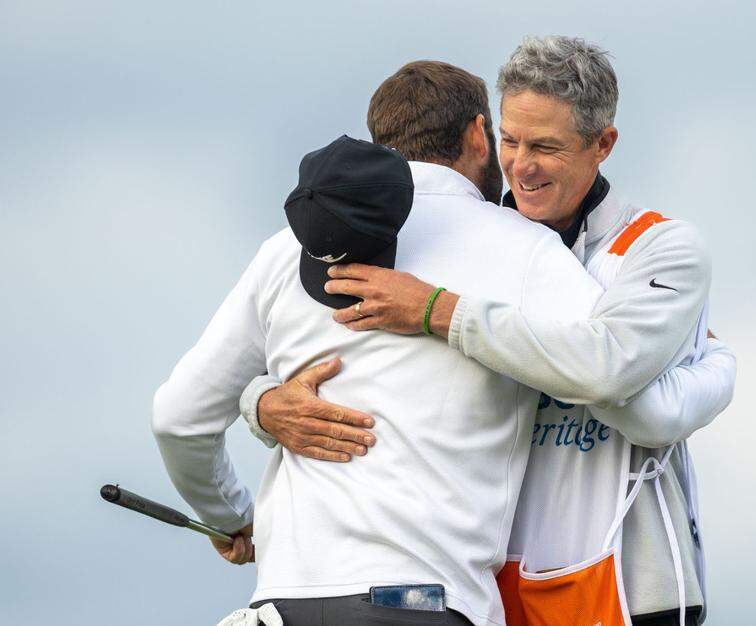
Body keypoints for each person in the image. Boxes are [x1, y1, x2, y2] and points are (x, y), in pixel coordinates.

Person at [244, 38, 736, 625]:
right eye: (510, 140)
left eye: (546, 147)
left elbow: (630, 397)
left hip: (625, 589)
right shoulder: (474, 240)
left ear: (603, 144)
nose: (520, 165)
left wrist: (440, 311)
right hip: (490, 590)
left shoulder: (658, 247)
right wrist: (263, 403)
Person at [153, 61, 609, 626]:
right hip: (424, 602)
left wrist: (231, 516)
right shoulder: (526, 249)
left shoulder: (289, 249)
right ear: (476, 134)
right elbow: (613, 364)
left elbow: (178, 417)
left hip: (282, 602)